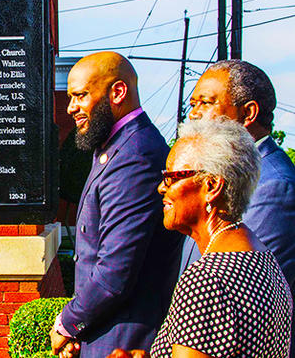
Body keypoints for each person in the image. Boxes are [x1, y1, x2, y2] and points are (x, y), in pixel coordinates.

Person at [118, 119, 292, 357]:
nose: (161, 187)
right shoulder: (264, 259)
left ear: (211, 186)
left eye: (171, 177)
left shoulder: (206, 280)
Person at [50, 52, 183, 357]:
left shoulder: (134, 155)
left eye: (80, 96)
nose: (71, 108)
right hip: (105, 333)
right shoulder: (115, 146)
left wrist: (67, 324)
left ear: (118, 92)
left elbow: (115, 270)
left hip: (124, 341)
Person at [184, 59, 295, 356]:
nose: (194, 114)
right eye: (193, 104)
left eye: (206, 103)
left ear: (248, 113)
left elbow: (246, 296)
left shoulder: (273, 186)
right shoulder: (225, 174)